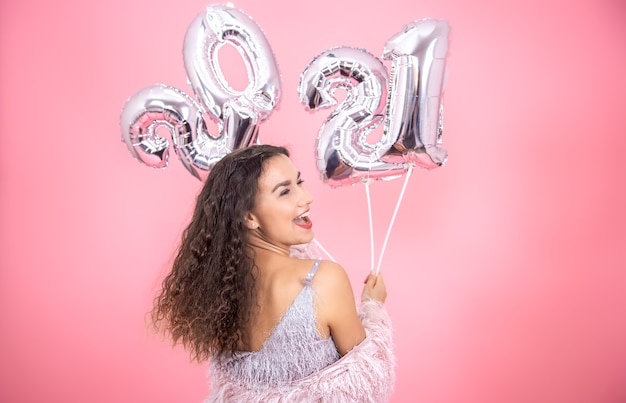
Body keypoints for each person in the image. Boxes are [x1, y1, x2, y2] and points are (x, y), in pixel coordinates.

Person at [151, 144, 395, 402]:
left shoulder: (219, 292)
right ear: (249, 217)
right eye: (285, 191)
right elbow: (368, 383)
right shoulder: (322, 280)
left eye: (299, 182)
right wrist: (373, 306)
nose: (306, 197)